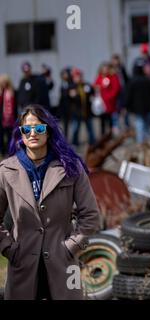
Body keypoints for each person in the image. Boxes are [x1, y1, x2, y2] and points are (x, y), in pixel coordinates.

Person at [0, 104, 100, 299]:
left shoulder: (71, 167)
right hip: (22, 264)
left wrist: (71, 247)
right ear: (21, 134)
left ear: (48, 131)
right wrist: (8, 248)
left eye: (38, 128)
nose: (32, 134)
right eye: (26, 129)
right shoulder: (5, 170)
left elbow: (90, 215)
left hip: (63, 264)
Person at [126, 60, 150, 144]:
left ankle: (140, 140)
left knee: (139, 123)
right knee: (146, 123)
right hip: (147, 106)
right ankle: (147, 140)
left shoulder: (132, 81)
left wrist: (127, 105)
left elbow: (128, 95)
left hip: (137, 107)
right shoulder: (147, 80)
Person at [68, 68, 96, 146]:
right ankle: (74, 142)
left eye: (79, 76)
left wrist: (91, 89)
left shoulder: (86, 85)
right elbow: (69, 98)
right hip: (77, 112)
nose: (78, 78)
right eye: (76, 77)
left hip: (87, 111)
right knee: (75, 129)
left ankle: (92, 142)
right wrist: (72, 94)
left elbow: (92, 92)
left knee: (90, 128)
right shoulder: (72, 86)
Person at [93, 62, 121, 136]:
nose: (105, 71)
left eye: (107, 69)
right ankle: (103, 136)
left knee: (111, 122)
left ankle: (111, 135)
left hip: (110, 104)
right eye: (104, 69)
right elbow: (95, 86)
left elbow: (116, 88)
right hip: (102, 105)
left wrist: (110, 97)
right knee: (102, 122)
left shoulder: (112, 77)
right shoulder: (99, 77)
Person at [111, 54, 130, 130]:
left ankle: (126, 125)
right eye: (114, 60)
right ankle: (116, 126)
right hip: (115, 93)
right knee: (115, 110)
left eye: (117, 60)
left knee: (124, 109)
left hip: (123, 91)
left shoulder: (122, 68)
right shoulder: (111, 70)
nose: (116, 62)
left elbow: (126, 79)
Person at [0, 74, 17, 156]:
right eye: (2, 82)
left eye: (5, 82)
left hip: (11, 118)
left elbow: (15, 105)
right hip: (2, 118)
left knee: (11, 135)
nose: (3, 84)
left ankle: (10, 151)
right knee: (2, 136)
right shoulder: (1, 92)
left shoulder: (12, 91)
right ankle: (3, 152)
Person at [58, 67, 73, 138]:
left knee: (73, 124)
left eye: (66, 74)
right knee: (65, 124)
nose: (65, 76)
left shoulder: (71, 83)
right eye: (63, 74)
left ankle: (72, 138)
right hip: (64, 106)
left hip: (71, 106)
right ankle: (66, 137)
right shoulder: (62, 84)